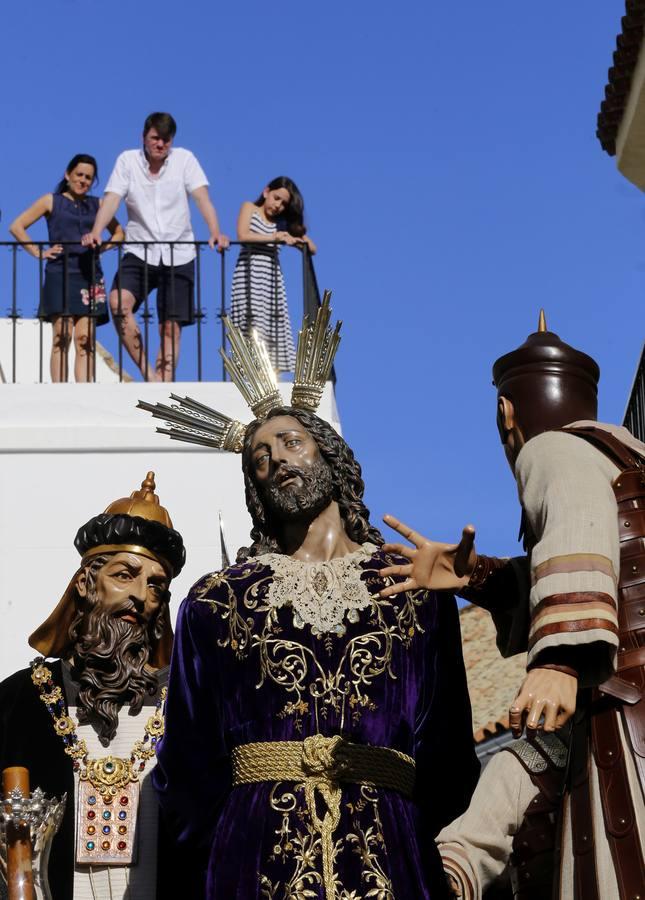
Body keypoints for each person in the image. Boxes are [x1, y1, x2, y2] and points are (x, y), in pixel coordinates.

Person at [142, 302, 479, 899]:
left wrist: (416, 841)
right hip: (254, 856)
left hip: (391, 851)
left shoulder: (411, 584)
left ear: (328, 454)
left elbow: (448, 751)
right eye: (260, 459)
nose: (276, 463)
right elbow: (187, 762)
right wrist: (224, 848)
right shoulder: (217, 601)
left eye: (291, 442)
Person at [378, 314, 645, 898]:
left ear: (506, 413)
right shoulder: (631, 466)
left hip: (626, 727)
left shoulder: (554, 451)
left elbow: (576, 521)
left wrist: (562, 658)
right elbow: (611, 553)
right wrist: (477, 576)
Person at [0, 472, 186, 900]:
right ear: (85, 583)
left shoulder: (184, 706)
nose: (141, 596)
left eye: (156, 585)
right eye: (125, 575)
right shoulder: (20, 701)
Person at [85, 112, 229, 382]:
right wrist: (96, 231)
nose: (160, 144)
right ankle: (149, 375)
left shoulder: (184, 159)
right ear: (144, 137)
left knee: (170, 328)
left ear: (171, 141)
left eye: (165, 140)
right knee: (117, 303)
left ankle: (164, 383)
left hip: (180, 253)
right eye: (155, 138)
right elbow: (112, 199)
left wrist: (214, 232)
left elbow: (202, 198)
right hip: (139, 250)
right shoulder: (127, 161)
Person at [9, 154, 123, 382]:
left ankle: (82, 392)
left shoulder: (98, 205)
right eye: (79, 175)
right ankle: (60, 391)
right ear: (68, 175)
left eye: (89, 177)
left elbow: (120, 233)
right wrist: (38, 252)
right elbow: (17, 226)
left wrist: (102, 248)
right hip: (59, 273)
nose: (83, 180)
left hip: (89, 275)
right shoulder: (51, 201)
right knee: (61, 335)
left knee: (85, 339)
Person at [230, 176, 316, 372]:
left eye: (284, 203)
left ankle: (270, 375)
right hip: (249, 276)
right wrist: (274, 237)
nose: (278, 205)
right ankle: (251, 373)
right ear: (266, 191)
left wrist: (294, 237)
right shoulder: (249, 208)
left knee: (273, 326)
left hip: (271, 280)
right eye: (277, 198)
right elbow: (242, 235)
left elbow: (312, 247)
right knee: (252, 324)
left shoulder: (281, 224)